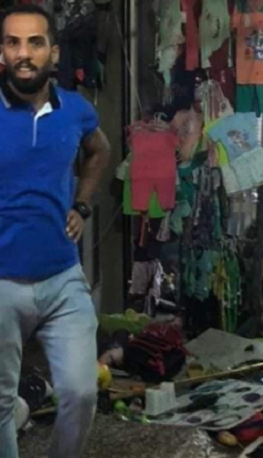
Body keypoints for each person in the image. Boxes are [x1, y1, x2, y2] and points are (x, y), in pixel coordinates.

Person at [0, 5, 111, 458]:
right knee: (0, 403)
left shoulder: (75, 109)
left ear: (54, 52)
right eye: (13, 42)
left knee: (81, 392)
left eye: (35, 42)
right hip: (2, 283)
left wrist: (82, 204)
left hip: (63, 277)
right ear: (1, 52)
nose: (23, 53)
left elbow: (99, 150)